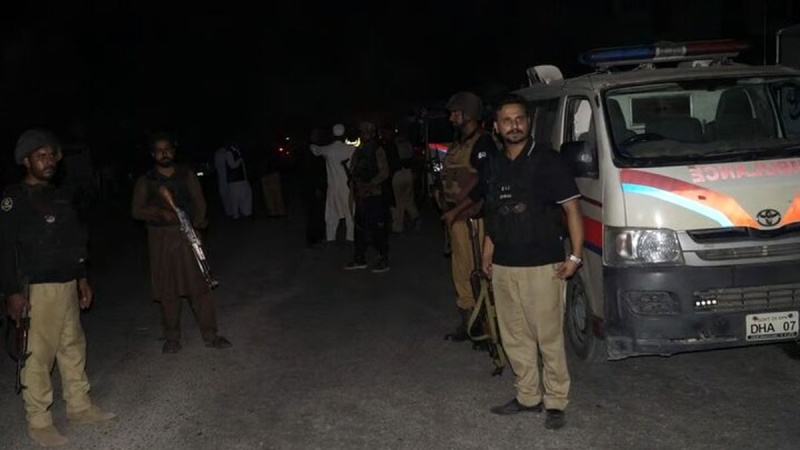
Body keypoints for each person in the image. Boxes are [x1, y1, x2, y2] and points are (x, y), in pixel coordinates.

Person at [1, 129, 116, 447]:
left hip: (67, 284)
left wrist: (82, 278)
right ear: (26, 161)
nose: (49, 161)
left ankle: (79, 406)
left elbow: (75, 242)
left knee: (73, 347)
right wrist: (11, 292)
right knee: (37, 357)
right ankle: (39, 422)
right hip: (36, 290)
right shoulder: (14, 199)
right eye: (41, 156)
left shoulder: (60, 196)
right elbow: (5, 249)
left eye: (52, 155)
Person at [481, 95, 584, 430]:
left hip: (543, 264)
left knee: (548, 337)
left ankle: (556, 401)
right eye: (506, 120)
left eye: (519, 119)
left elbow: (572, 210)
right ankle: (527, 396)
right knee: (514, 335)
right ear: (496, 126)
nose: (514, 126)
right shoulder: (493, 163)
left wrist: (575, 256)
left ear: (528, 122)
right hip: (504, 264)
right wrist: (487, 252)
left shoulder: (548, 160)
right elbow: (493, 214)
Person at [132, 132, 231, 354]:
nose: (164, 153)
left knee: (199, 286)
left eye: (167, 149)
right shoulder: (146, 180)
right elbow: (136, 210)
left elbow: (199, 201)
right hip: (161, 240)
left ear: (173, 152)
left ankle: (210, 334)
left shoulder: (186, 174)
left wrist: (197, 227)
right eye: (159, 150)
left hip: (187, 236)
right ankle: (172, 338)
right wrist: (159, 213)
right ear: (153, 154)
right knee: (167, 290)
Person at [437, 91, 497, 342]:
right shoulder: (459, 143)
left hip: (474, 220)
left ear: (469, 115)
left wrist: (456, 210)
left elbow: (483, 182)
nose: (451, 118)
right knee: (461, 273)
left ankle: (486, 326)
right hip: (458, 219)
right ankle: (470, 322)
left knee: (478, 272)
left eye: (455, 113)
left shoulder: (483, 143)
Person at [345, 122, 391, 273]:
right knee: (359, 227)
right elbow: (354, 168)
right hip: (361, 194)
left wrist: (370, 185)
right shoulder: (360, 149)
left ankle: (382, 258)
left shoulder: (378, 150)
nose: (363, 134)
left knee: (377, 228)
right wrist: (353, 182)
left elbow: (384, 172)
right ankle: (359, 257)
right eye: (362, 132)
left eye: (366, 132)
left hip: (373, 194)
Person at [311, 124, 355, 242]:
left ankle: (331, 237)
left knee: (332, 213)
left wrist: (312, 143)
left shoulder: (328, 149)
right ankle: (350, 237)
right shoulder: (351, 149)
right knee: (350, 212)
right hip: (347, 186)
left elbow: (315, 150)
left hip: (333, 186)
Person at [389, 130, 420, 232]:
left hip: (398, 173)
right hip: (408, 172)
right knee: (409, 199)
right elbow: (413, 159)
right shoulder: (408, 145)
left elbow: (392, 161)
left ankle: (398, 226)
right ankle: (415, 217)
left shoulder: (394, 146)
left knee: (398, 201)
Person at [302, 129, 328, 247]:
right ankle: (312, 239)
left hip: (317, 186)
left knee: (318, 213)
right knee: (314, 214)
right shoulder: (310, 151)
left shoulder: (318, 149)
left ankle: (318, 236)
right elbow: (310, 172)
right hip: (312, 187)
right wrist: (316, 187)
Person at [224, 144, 253, 219]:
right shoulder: (229, 152)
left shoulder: (239, 151)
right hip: (234, 180)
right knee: (235, 199)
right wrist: (239, 159)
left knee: (246, 195)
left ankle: (247, 213)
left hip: (242, 179)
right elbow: (232, 165)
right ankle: (236, 214)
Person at [260, 148, 285, 218]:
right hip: (271, 174)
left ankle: (275, 211)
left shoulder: (268, 156)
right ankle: (277, 211)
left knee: (271, 194)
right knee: (275, 194)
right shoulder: (273, 155)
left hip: (270, 174)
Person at [213, 146, 232, 217]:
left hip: (227, 178)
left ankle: (229, 211)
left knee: (226, 194)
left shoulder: (224, 153)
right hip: (225, 178)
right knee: (226, 194)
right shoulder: (222, 154)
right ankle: (229, 211)